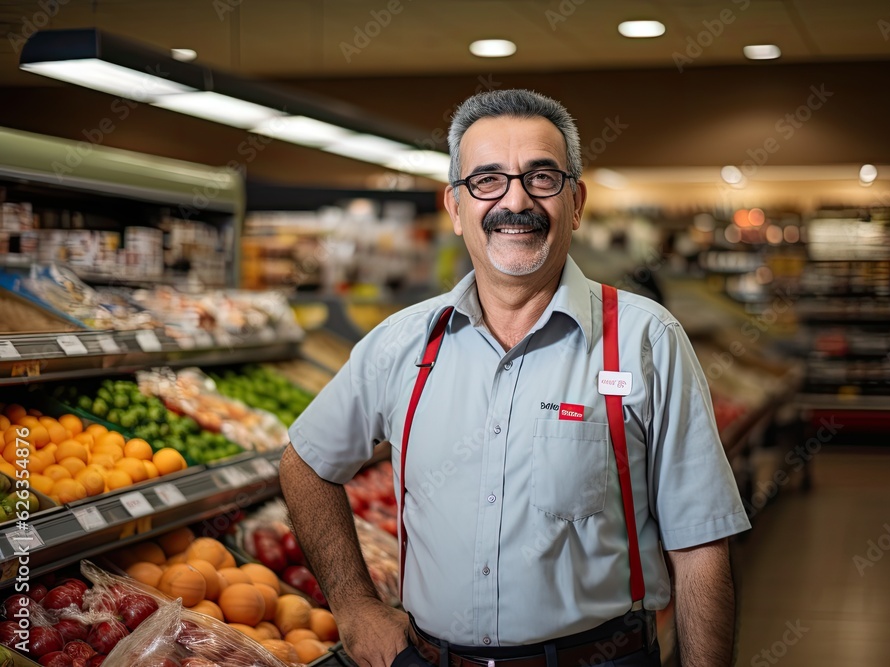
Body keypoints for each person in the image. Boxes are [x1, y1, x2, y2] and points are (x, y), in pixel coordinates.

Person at [280, 89, 751, 667]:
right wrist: (354, 607)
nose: (515, 200)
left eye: (541, 177)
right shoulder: (400, 345)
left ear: (575, 203)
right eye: (487, 180)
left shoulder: (646, 340)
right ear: (454, 208)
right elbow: (304, 463)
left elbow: (701, 547)